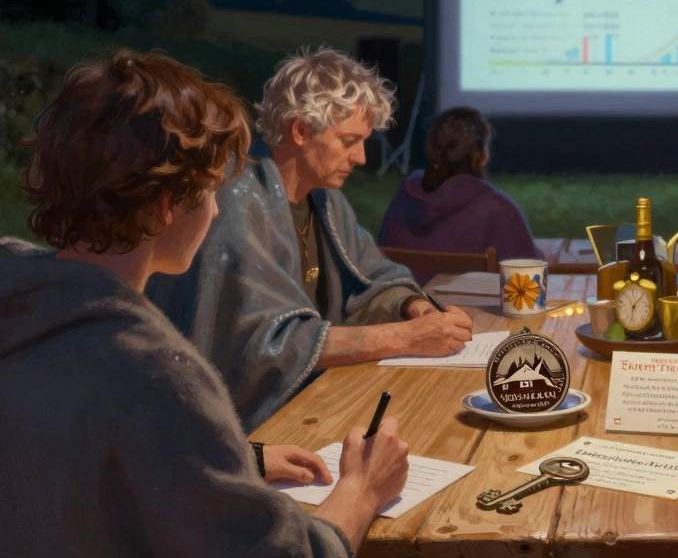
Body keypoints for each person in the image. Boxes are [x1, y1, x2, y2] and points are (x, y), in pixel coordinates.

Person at [0, 49, 410, 557]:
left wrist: (243, 460)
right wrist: (363, 489)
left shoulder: (21, 305)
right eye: (213, 189)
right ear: (167, 203)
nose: (217, 210)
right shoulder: (155, 375)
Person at [147, 47, 473, 432]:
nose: (361, 158)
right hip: (245, 428)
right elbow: (265, 347)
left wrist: (416, 309)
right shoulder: (236, 201)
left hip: (316, 402)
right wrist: (407, 337)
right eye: (349, 140)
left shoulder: (325, 199)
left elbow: (371, 277)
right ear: (300, 131)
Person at [378, 105, 542, 262]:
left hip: (404, 283)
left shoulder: (407, 194)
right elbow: (529, 273)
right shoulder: (500, 209)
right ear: (482, 155)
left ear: (432, 148)